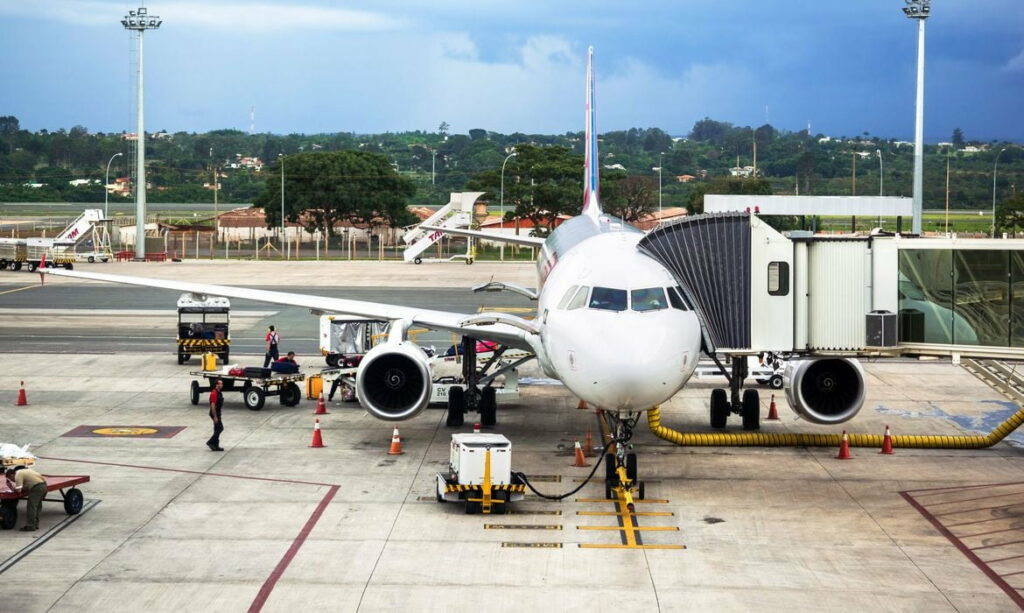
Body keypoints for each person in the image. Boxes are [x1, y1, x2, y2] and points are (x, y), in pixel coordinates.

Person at [5, 466, 47, 532]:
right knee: (37, 506)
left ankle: (30, 526)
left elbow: (19, 490)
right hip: (43, 486)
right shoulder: (24, 472)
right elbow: (27, 485)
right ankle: (35, 525)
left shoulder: (17, 475)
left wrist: (12, 488)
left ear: (12, 474)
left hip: (36, 488)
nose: (13, 480)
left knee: (31, 507)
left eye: (10, 478)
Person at [207, 379, 224, 451]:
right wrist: (215, 417)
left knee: (216, 429)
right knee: (220, 428)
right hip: (215, 413)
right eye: (220, 384)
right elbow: (213, 405)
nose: (222, 385)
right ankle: (210, 442)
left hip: (218, 412)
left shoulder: (219, 392)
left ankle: (215, 445)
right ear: (217, 385)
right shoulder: (214, 393)